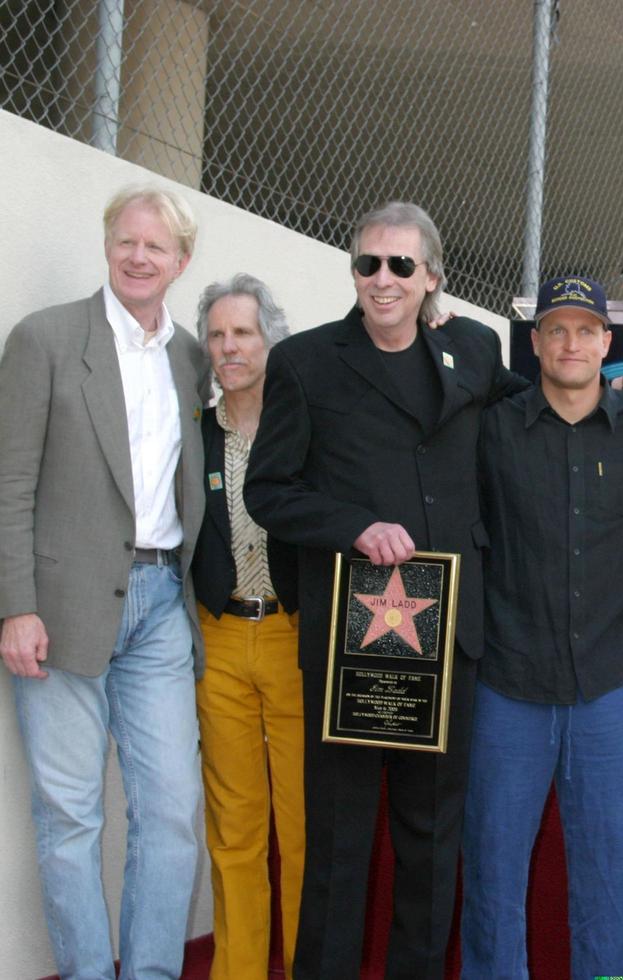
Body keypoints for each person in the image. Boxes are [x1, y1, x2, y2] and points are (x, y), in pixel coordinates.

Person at [243, 202, 623, 980]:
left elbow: (549, 389)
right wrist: (352, 526)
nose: (384, 279)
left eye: (401, 265)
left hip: (446, 638)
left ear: (432, 278)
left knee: (432, 847)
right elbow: (267, 492)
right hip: (353, 635)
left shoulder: (469, 351)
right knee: (339, 845)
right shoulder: (306, 361)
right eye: (369, 263)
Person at [0, 185, 207, 978]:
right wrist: (16, 605)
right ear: (108, 245)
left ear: (181, 262)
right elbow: (11, 482)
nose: (138, 256)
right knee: (69, 815)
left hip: (160, 611)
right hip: (59, 612)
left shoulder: (190, 357)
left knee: (169, 814)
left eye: (156, 246)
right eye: (126, 240)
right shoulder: (45, 339)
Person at [461, 275, 623, 979]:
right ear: (535, 343)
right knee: (493, 869)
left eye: (586, 330)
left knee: (611, 875)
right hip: (509, 686)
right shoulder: (494, 429)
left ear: (607, 345)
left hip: (608, 692)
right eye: (556, 329)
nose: (571, 342)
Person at [192, 274, 303, 979]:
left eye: (243, 333)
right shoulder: (194, 432)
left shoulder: (306, 428)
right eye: (217, 335)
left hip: (295, 638)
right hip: (221, 639)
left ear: (271, 340)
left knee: (300, 828)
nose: (229, 347)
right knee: (234, 830)